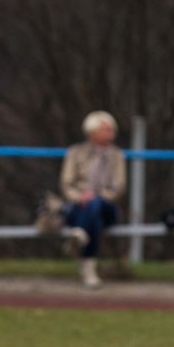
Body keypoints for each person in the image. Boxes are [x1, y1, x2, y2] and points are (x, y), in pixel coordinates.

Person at [60, 111, 126, 288]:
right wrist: (80, 197)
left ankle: (79, 236)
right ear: (92, 131)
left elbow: (118, 187)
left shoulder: (116, 155)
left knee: (96, 205)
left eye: (111, 129)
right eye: (105, 129)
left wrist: (96, 197)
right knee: (94, 218)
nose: (111, 133)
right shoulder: (75, 153)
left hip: (107, 207)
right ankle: (89, 271)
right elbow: (67, 184)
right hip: (79, 206)